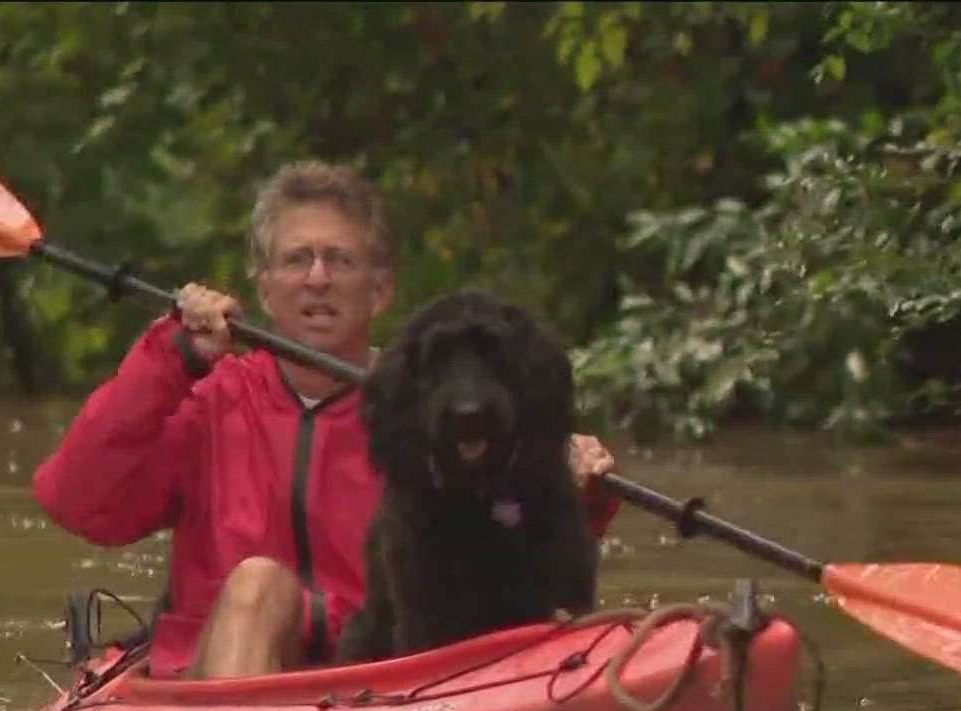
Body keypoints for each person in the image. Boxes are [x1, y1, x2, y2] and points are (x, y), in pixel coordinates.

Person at [33, 161, 618, 678]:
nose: (318, 278)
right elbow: (77, 502)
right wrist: (170, 357)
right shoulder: (209, 399)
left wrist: (575, 490)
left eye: (340, 259)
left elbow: (513, 564)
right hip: (216, 675)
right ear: (263, 287)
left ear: (381, 291)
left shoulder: (427, 416)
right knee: (259, 585)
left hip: (371, 673)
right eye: (296, 260)